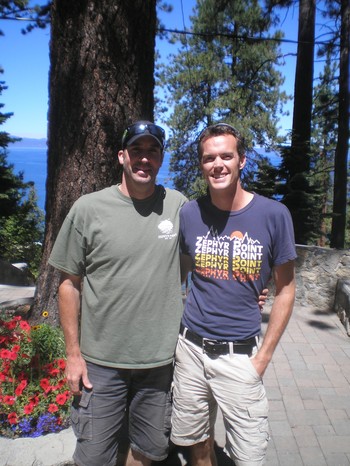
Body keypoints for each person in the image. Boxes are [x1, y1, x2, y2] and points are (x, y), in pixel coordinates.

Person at [48, 121, 187, 466]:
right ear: (121, 156)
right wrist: (73, 355)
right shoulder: (88, 208)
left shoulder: (179, 206)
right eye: (136, 150)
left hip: (159, 362)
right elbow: (68, 284)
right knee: (93, 457)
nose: (144, 159)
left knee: (147, 451)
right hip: (100, 363)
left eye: (152, 151)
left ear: (161, 158)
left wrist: (249, 292)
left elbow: (209, 255)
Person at [171, 123, 297, 466]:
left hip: (241, 357)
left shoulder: (273, 215)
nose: (218, 164)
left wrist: (263, 359)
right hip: (190, 352)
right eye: (209, 158)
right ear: (201, 165)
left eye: (226, 155)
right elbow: (180, 275)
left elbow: (286, 289)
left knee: (249, 456)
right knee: (197, 444)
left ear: (242, 160)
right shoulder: (190, 213)